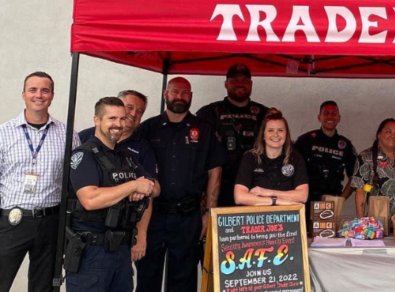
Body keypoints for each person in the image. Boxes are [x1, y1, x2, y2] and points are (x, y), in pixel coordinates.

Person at [135, 77, 227, 292]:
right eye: (175, 92)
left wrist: (208, 213)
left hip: (188, 215)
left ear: (191, 96)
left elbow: (215, 171)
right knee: (148, 274)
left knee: (184, 278)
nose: (180, 97)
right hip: (153, 215)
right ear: (165, 94)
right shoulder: (148, 129)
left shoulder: (204, 130)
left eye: (185, 93)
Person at [0, 71, 81, 292]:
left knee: (43, 287)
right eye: (33, 90)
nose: (39, 95)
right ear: (23, 94)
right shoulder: (3, 133)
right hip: (11, 221)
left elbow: (73, 182)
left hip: (50, 222)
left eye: (45, 90)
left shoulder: (68, 135)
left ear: (52, 95)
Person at [66, 97, 157, 292]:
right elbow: (90, 199)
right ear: (97, 120)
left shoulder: (126, 157)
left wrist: (142, 187)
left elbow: (155, 189)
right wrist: (132, 186)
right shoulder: (84, 156)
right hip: (91, 251)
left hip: (121, 251)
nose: (118, 124)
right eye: (112, 118)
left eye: (122, 119)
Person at [196, 63, 268, 208]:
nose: (240, 84)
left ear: (251, 84)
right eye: (234, 80)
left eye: (245, 80)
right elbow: (196, 155)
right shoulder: (208, 113)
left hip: (256, 190)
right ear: (226, 84)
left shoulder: (264, 114)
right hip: (219, 189)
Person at [293, 101, 356, 213]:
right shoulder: (305, 140)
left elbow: (354, 178)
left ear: (339, 118)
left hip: (331, 202)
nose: (330, 116)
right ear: (319, 117)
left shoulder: (345, 145)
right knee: (304, 230)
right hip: (306, 201)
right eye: (326, 113)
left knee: (329, 231)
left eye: (334, 113)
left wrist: (340, 201)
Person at [234, 111, 308, 206]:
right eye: (270, 130)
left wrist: (268, 192)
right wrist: (276, 201)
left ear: (286, 134)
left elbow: (302, 196)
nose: (276, 134)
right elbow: (239, 197)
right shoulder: (250, 157)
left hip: (286, 218)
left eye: (280, 130)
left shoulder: (295, 158)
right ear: (263, 135)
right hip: (257, 218)